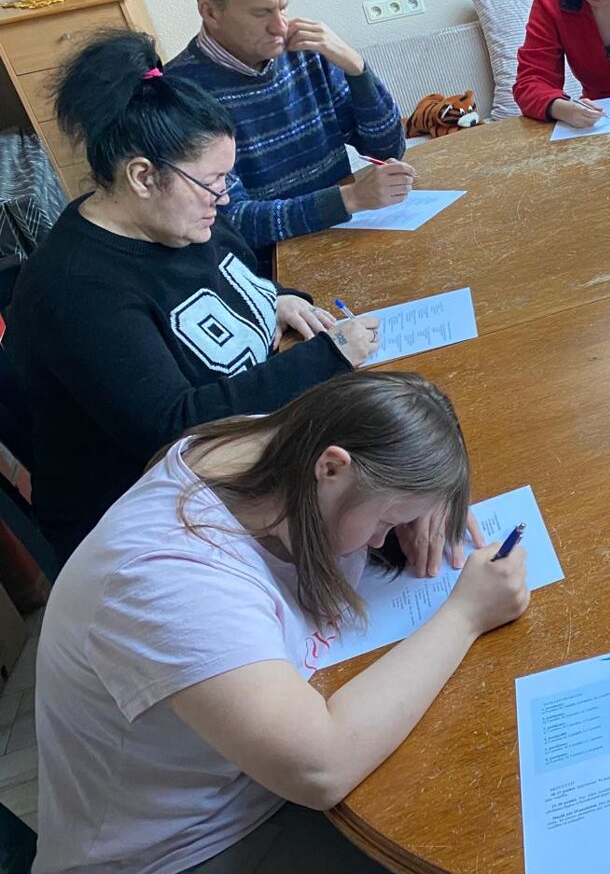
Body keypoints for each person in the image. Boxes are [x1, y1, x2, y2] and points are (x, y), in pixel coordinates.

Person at [32, 372, 531, 874]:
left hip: (251, 780)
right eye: (385, 522)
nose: (381, 540)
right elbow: (322, 767)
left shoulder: (280, 447)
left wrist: (419, 492)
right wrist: (465, 614)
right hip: (186, 846)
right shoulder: (167, 580)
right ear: (331, 467)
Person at [3, 31, 384, 562]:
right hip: (151, 523)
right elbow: (176, 429)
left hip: (241, 457)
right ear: (142, 177)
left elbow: (230, 279)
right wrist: (328, 357)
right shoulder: (77, 290)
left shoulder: (180, 221)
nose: (223, 198)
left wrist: (276, 298)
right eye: (212, 181)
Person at [166, 0, 417, 257]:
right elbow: (233, 222)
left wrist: (357, 69)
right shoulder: (179, 93)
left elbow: (386, 150)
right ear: (210, 12)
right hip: (274, 262)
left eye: (283, 8)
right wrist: (350, 199)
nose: (280, 26)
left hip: (346, 234)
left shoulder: (306, 51)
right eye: (261, 13)